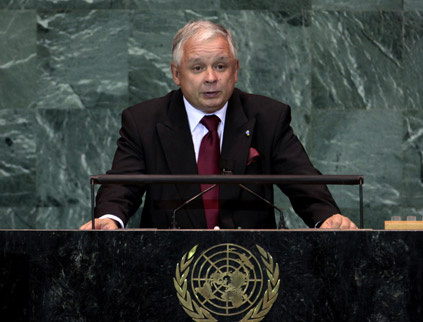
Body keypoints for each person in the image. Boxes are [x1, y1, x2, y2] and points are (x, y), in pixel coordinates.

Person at [80, 20, 357, 231]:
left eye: (221, 66)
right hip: (167, 268)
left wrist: (327, 217)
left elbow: (303, 181)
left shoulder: (267, 117)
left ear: (235, 70)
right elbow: (122, 186)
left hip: (254, 272)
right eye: (198, 68)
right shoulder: (144, 121)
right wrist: (109, 219)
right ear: (176, 73)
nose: (211, 78)